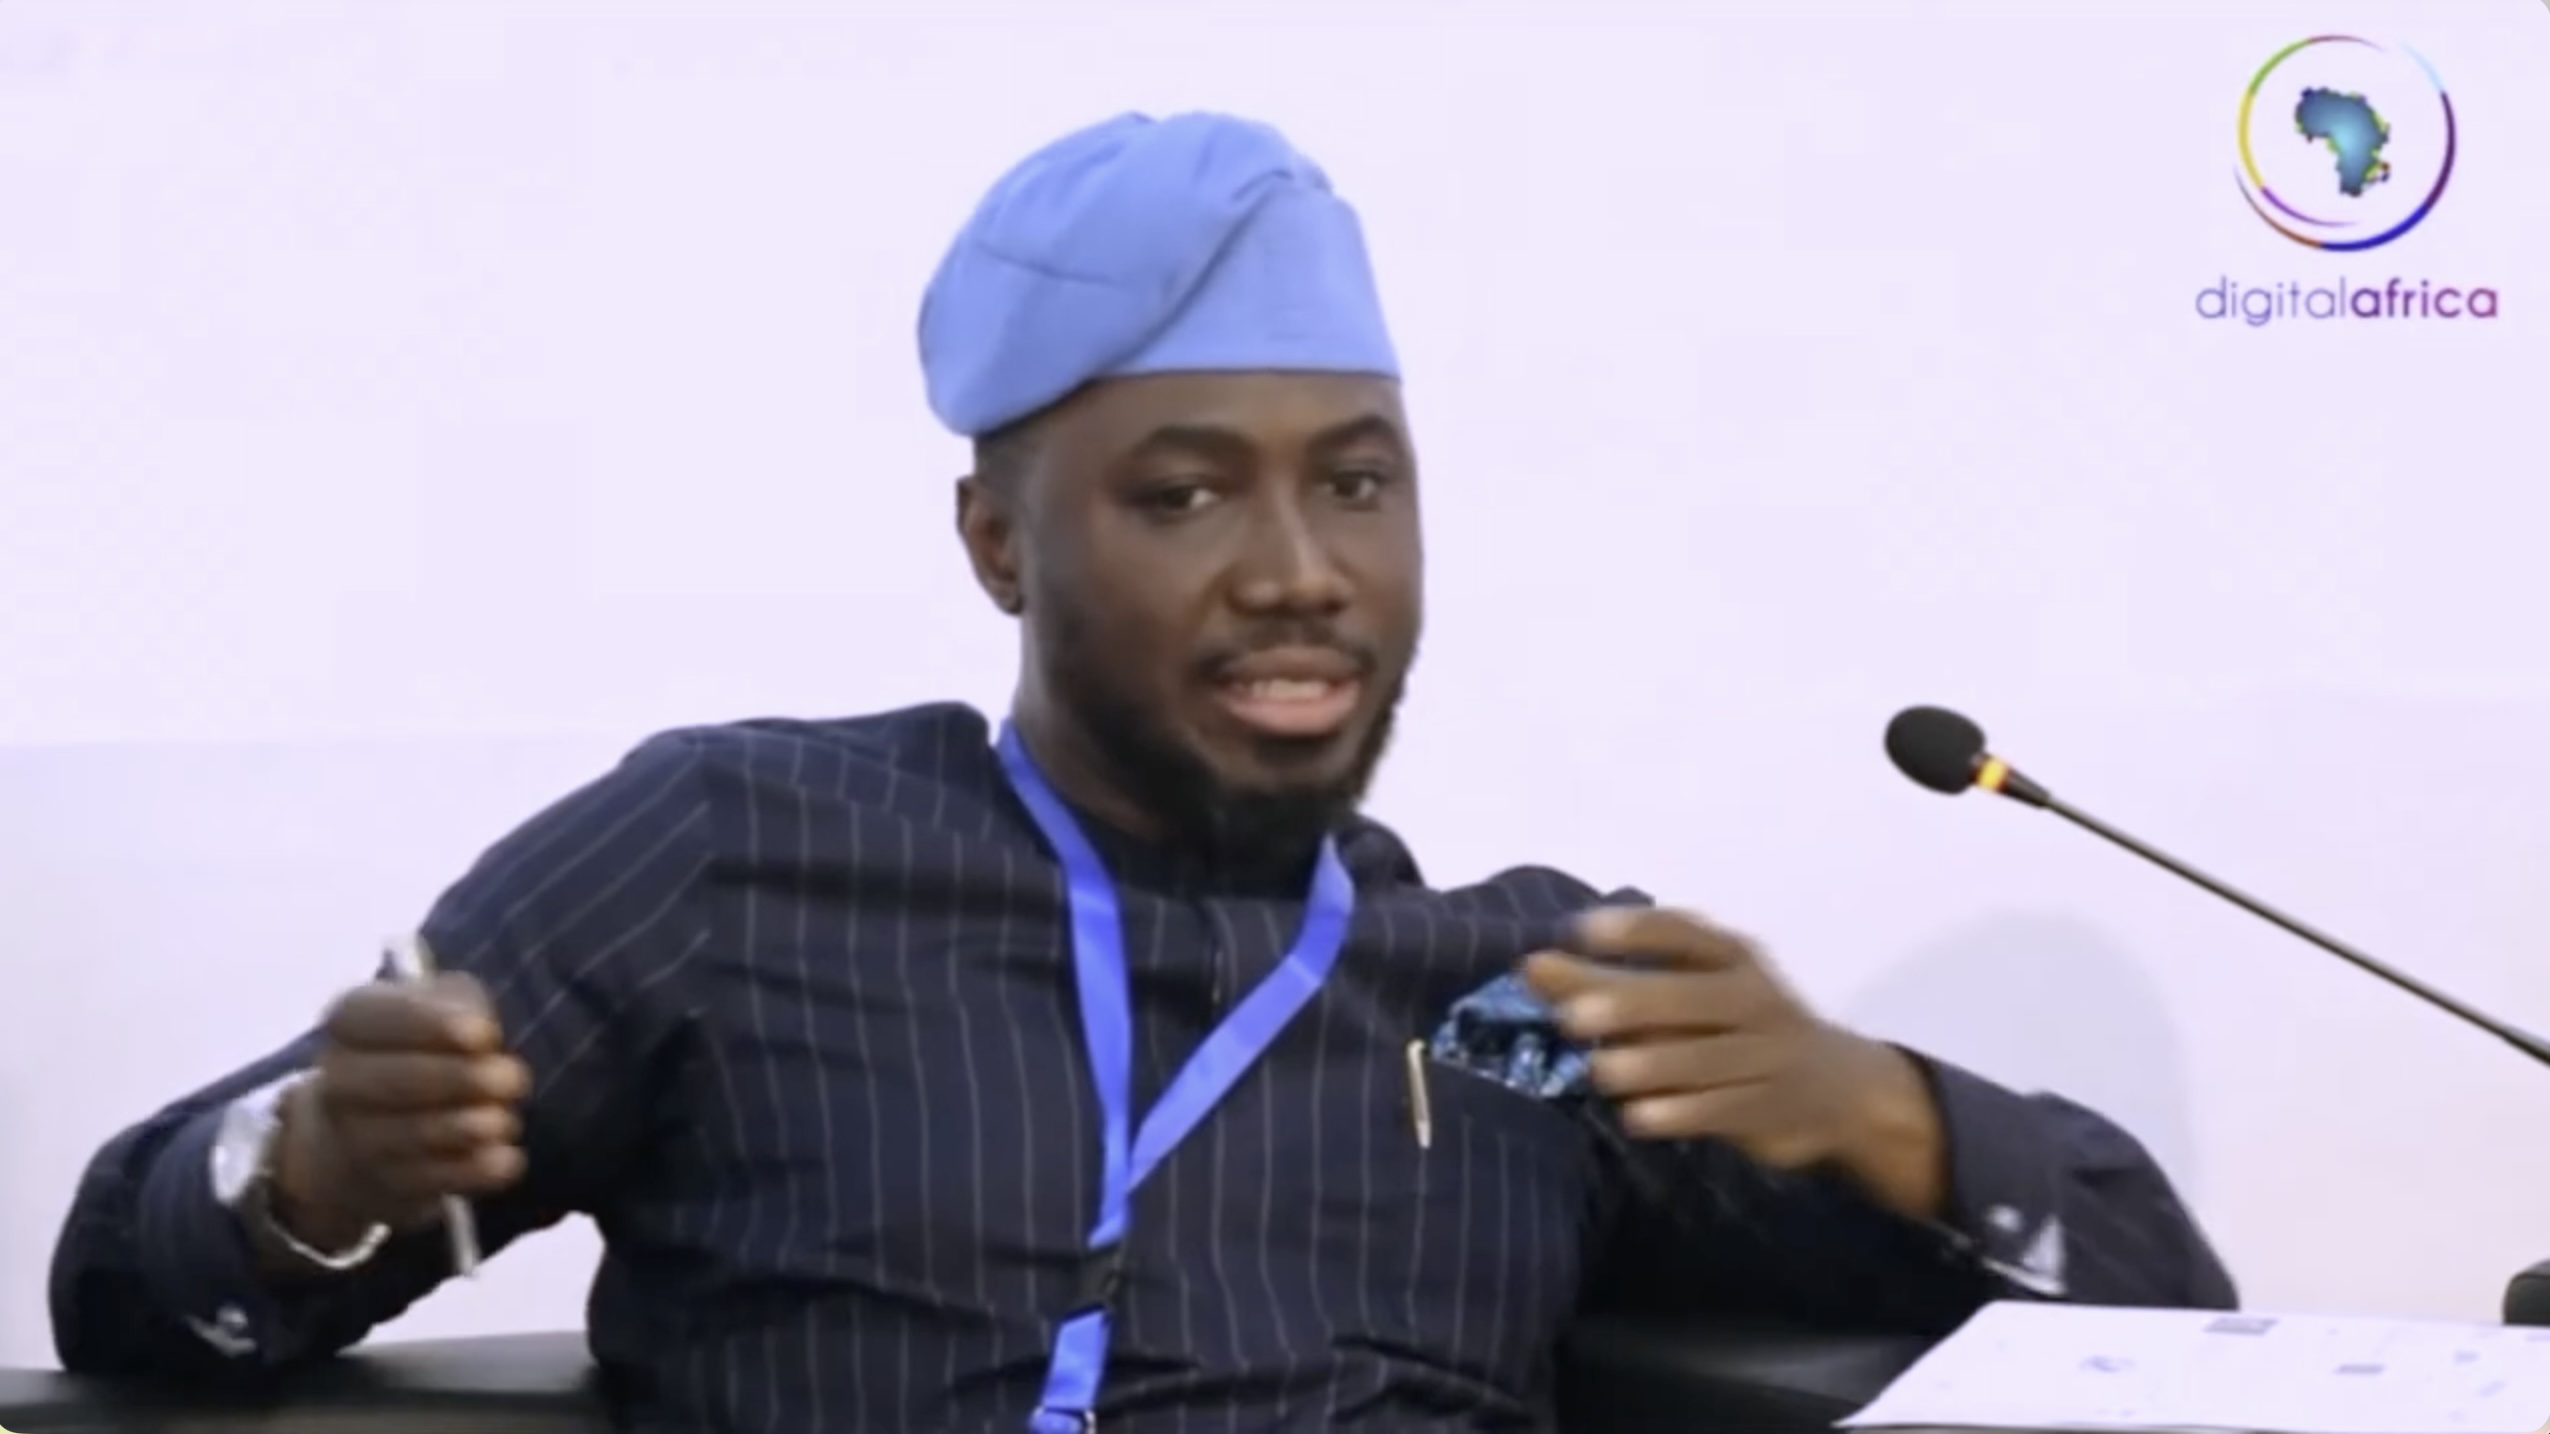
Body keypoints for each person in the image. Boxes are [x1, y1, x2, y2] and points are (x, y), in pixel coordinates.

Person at [49, 110, 2235, 1432]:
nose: (1300, 570)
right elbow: (131, 1298)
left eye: (1357, 483)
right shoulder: (735, 861)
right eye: (1184, 495)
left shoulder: (1507, 999)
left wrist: (1870, 1108)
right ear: (999, 542)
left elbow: (2172, 1311)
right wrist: (313, 1169)